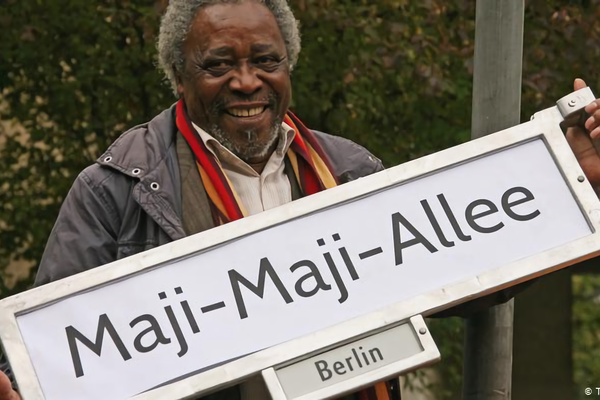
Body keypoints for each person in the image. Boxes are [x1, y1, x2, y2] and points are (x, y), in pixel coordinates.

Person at [0, 0, 599, 399]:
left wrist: (565, 180)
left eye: (266, 61)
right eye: (218, 65)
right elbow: (57, 352)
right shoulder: (116, 188)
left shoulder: (349, 168)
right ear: (178, 78)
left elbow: (458, 274)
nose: (246, 81)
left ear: (288, 67)